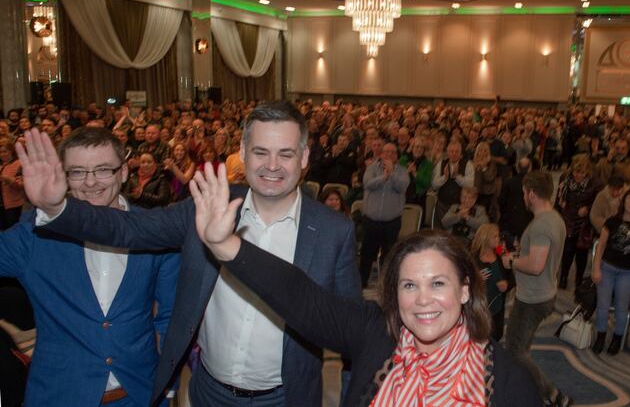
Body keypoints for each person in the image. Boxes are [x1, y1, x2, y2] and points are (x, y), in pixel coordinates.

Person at [21, 102, 361, 407]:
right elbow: (129, 228)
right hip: (208, 393)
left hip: (287, 398)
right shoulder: (207, 204)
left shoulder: (334, 232)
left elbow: (354, 335)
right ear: (243, 152)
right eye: (261, 152)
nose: (272, 165)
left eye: (285, 154)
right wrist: (57, 207)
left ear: (304, 157)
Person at [188, 163, 543, 406]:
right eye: (409, 285)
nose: (423, 300)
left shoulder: (510, 383)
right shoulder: (375, 333)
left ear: (465, 289)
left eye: (437, 283)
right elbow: (301, 297)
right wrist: (227, 246)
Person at [4, 127, 179, 406]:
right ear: (64, 176)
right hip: (59, 395)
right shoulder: (34, 233)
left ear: (124, 172)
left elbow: (170, 316)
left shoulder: (155, 228)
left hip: (138, 394)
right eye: (77, 172)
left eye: (103, 169)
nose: (90, 182)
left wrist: (168, 388)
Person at [501, 171, 571, 406]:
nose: (523, 197)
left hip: (532, 299)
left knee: (515, 350)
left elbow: (536, 266)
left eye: (524, 192)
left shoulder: (541, 225)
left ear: (531, 194)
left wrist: (512, 261)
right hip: (544, 293)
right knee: (521, 347)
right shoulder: (555, 218)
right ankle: (522, 387)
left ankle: (552, 394)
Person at [591, 189, 630, 355]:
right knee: (603, 305)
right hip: (607, 268)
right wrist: (596, 268)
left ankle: (617, 339)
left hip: (627, 273)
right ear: (624, 201)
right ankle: (600, 337)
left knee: (622, 308)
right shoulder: (612, 221)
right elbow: (600, 246)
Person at [360, 142, 410, 288]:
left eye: (393, 152)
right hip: (371, 220)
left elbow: (402, 187)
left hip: (391, 221)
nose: (389, 154)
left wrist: (392, 174)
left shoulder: (402, 171)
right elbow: (367, 183)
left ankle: (386, 286)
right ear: (381, 154)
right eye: (386, 151)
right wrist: (383, 177)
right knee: (367, 253)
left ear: (396, 156)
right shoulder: (371, 168)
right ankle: (361, 283)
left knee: (389, 256)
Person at [556, 156, 599, 290]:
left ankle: (579, 279)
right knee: (567, 251)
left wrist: (588, 208)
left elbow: (597, 202)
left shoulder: (594, 183)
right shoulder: (565, 178)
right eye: (575, 171)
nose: (577, 175)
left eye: (581, 172)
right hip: (568, 218)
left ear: (587, 172)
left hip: (584, 223)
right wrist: (557, 210)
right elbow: (558, 198)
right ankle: (563, 277)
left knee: (581, 252)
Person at [471, 223, 511, 341]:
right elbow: (462, 280)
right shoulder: (473, 258)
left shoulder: (501, 256)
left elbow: (512, 278)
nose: (498, 239)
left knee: (496, 335)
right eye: (495, 236)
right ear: (486, 238)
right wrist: (476, 278)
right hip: (478, 308)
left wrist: (507, 285)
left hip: (497, 306)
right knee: (477, 335)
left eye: (498, 236)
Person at [431, 141, 475, 228]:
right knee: (439, 230)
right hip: (442, 204)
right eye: (451, 151)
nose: (454, 154)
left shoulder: (468, 164)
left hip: (459, 206)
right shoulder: (441, 163)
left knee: (454, 231)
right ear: (447, 152)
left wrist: (457, 177)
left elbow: (470, 185)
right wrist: (444, 178)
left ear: (460, 153)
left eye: (456, 151)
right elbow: (434, 185)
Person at [0, 138, 25, 230]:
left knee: (14, 230)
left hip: (14, 205)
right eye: (0, 152)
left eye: (5, 151)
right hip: (1, 206)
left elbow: (22, 184)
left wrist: (8, 180)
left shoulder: (19, 164)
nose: (2, 154)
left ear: (11, 151)